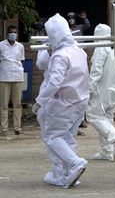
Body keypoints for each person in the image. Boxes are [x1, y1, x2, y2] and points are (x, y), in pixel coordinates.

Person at [32, 13, 89, 188]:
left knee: (52, 136)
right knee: (68, 138)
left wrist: (40, 101)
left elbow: (53, 82)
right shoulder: (79, 51)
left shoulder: (60, 56)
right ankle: (66, 174)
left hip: (64, 103)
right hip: (80, 101)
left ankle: (74, 163)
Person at [86, 24, 115, 161]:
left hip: (103, 91)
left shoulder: (101, 48)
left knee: (93, 115)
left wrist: (89, 90)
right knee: (107, 118)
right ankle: (108, 151)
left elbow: (96, 71)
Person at [0, 25, 25, 136]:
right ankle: (4, 129)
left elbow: (21, 61)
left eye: (15, 32)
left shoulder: (20, 47)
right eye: (11, 32)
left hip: (17, 77)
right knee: (4, 105)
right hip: (4, 77)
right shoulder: (1, 45)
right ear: (7, 34)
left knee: (17, 104)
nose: (13, 34)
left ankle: (17, 128)